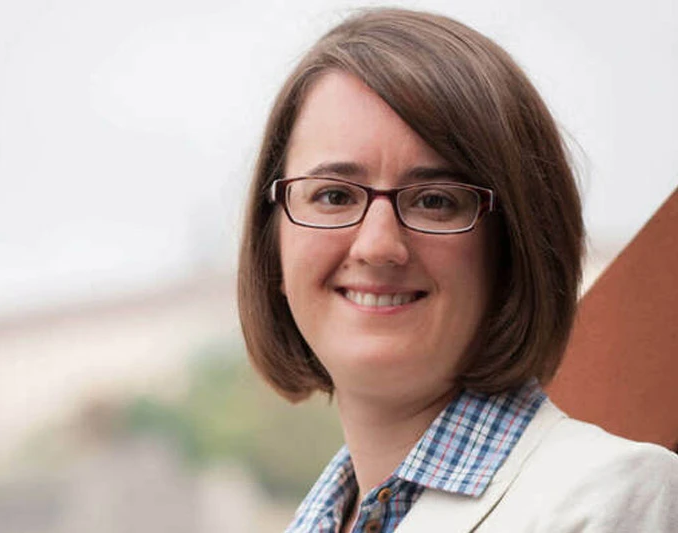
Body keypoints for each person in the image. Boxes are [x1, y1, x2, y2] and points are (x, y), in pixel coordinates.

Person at [237, 8, 678, 533]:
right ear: (274, 246)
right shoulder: (319, 520)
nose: (378, 246)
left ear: (515, 249)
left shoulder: (610, 500)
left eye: (436, 201)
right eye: (333, 195)